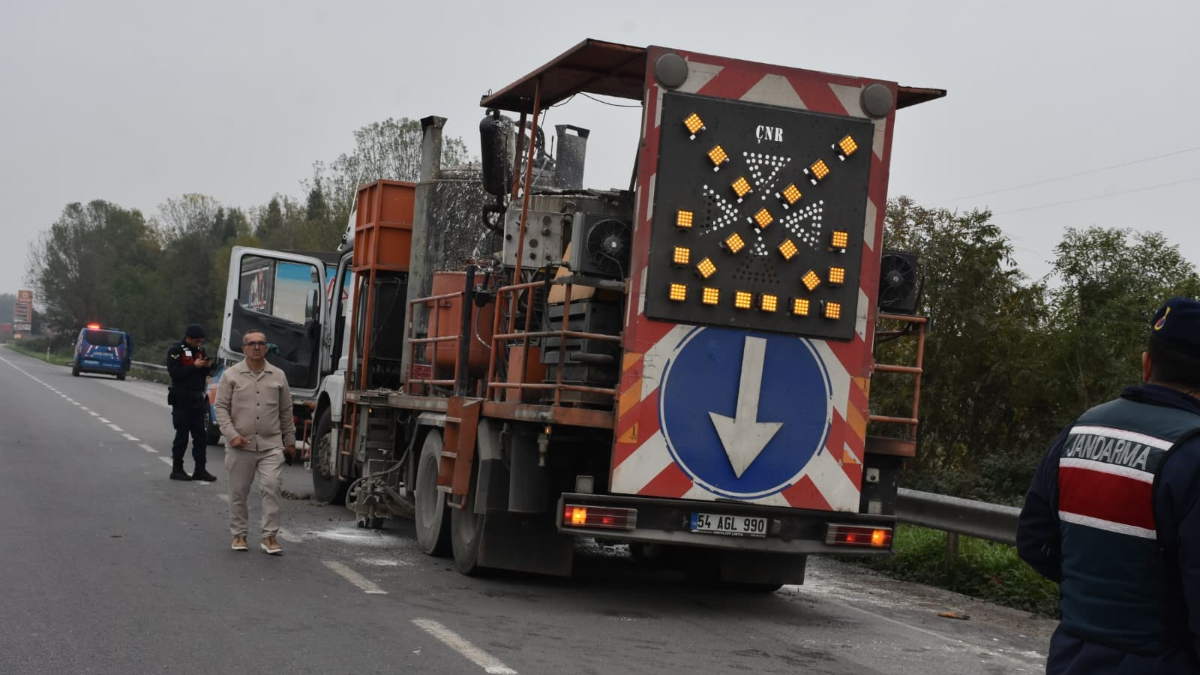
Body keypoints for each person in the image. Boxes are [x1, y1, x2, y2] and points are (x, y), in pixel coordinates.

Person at [1018, 297, 1200, 674]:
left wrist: (1100, 593)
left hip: (1072, 657)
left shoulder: (1083, 427)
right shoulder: (1192, 451)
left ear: (1147, 364)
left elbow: (1035, 540)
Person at [214, 330, 296, 555]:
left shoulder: (278, 375)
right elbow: (220, 407)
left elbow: (286, 411)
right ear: (244, 349)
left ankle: (270, 536)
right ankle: (239, 533)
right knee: (238, 492)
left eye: (261, 343)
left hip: (270, 446)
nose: (257, 347)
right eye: (252, 344)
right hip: (240, 446)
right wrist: (231, 435)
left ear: (267, 347)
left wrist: (290, 441)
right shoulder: (231, 375)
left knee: (271, 488)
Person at [166, 324, 215, 482]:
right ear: (188, 338)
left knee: (201, 436)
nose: (198, 344)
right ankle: (177, 469)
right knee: (182, 436)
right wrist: (193, 366)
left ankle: (200, 469)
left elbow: (206, 374)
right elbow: (175, 373)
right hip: (181, 398)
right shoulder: (176, 351)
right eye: (196, 341)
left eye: (201, 341)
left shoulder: (201, 351)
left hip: (197, 399)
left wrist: (207, 367)